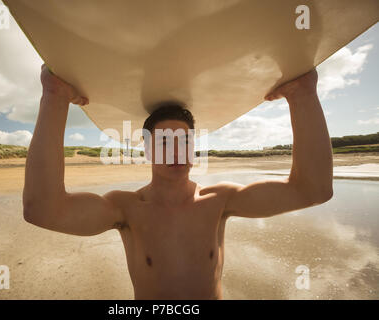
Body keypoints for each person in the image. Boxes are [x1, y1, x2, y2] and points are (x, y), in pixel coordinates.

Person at [23, 64, 333, 299]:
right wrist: (54, 97)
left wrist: (303, 94)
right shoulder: (126, 209)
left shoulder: (219, 200)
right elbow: (43, 210)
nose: (175, 151)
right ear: (146, 149)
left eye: (184, 141)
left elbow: (312, 189)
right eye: (164, 142)